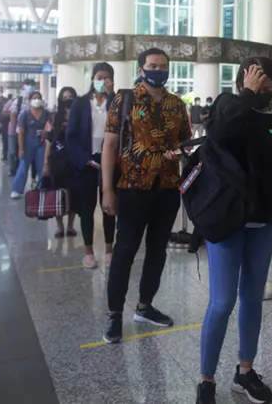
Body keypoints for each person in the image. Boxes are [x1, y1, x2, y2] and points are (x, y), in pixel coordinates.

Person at [195, 57, 272, 404]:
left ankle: (245, 371)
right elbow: (218, 137)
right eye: (257, 79)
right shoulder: (229, 104)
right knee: (222, 301)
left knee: (252, 299)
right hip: (228, 218)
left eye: (268, 81)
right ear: (244, 78)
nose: (264, 87)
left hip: (263, 219)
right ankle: (206, 379)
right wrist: (246, 95)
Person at [101, 48, 191, 343]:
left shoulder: (177, 105)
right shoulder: (123, 101)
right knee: (124, 251)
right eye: (153, 65)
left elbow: (186, 143)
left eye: (163, 66)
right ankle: (114, 314)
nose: (158, 70)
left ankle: (144, 306)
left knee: (157, 251)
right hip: (131, 189)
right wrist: (107, 190)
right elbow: (110, 146)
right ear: (141, 69)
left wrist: (181, 151)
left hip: (166, 188)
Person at [66, 63, 118, 269]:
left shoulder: (116, 101)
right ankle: (88, 251)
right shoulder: (80, 103)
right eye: (99, 76)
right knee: (86, 209)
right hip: (86, 161)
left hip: (110, 159)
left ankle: (108, 250)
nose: (102, 81)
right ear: (92, 78)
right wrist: (84, 159)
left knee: (109, 207)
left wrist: (112, 94)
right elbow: (71, 136)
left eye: (107, 77)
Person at [43, 87, 77, 238]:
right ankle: (59, 226)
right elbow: (49, 141)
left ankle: (70, 225)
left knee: (74, 193)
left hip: (75, 160)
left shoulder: (80, 115)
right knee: (58, 193)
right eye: (65, 97)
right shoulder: (54, 118)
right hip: (57, 160)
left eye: (70, 96)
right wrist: (45, 163)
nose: (67, 99)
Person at [10, 91, 49, 198]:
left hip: (41, 143)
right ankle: (17, 189)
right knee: (23, 166)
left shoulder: (46, 113)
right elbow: (21, 131)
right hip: (28, 143)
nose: (37, 100)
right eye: (34, 98)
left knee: (42, 167)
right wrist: (21, 149)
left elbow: (49, 126)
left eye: (38, 98)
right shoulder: (25, 114)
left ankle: (42, 188)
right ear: (30, 100)